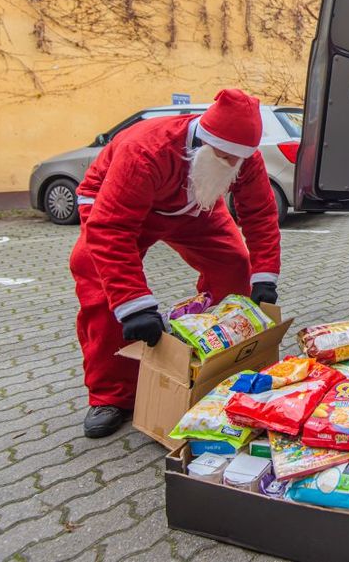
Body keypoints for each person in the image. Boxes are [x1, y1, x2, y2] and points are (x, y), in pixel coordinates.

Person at [70, 89, 281, 438]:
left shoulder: (243, 159)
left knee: (233, 264)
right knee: (101, 286)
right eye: (225, 157)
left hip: (193, 205)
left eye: (240, 159)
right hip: (117, 207)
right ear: (203, 142)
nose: (233, 166)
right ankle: (111, 396)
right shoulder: (146, 150)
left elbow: (260, 214)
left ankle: (214, 357)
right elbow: (112, 227)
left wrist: (265, 276)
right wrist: (134, 305)